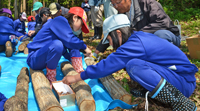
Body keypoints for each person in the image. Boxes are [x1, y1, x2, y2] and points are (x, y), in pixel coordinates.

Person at [62, 14, 198, 111]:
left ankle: (180, 102)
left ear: (118, 33)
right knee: (132, 64)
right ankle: (152, 92)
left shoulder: (135, 44)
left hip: (183, 82)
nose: (110, 44)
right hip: (177, 77)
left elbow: (107, 65)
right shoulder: (137, 39)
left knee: (134, 66)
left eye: (109, 39)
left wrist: (75, 77)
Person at [93, 0, 181, 58]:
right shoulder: (121, 13)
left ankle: (167, 64)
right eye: (113, 4)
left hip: (168, 36)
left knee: (160, 35)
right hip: (144, 40)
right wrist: (96, 52)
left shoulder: (146, 2)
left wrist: (136, 34)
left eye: (118, 2)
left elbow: (163, 23)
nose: (116, 6)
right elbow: (112, 31)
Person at [26, 7, 91, 87]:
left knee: (72, 43)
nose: (80, 28)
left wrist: (77, 69)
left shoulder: (65, 29)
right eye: (81, 24)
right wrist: (84, 47)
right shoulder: (59, 20)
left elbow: (70, 45)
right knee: (58, 44)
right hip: (34, 59)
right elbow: (68, 41)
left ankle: (78, 70)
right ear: (74, 18)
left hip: (44, 58)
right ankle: (50, 78)